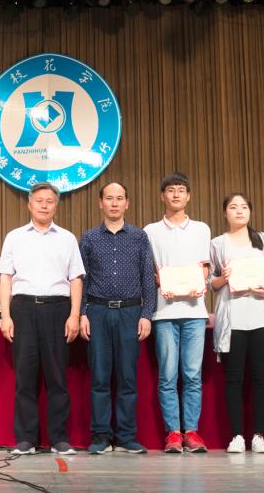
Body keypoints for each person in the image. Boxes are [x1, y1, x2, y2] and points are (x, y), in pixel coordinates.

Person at [0, 182, 85, 455]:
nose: (44, 205)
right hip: (23, 309)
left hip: (58, 310)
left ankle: (59, 438)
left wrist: (74, 314)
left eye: (49, 201)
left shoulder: (67, 238)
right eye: (39, 201)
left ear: (55, 206)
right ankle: (26, 439)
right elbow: (5, 278)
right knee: (25, 377)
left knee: (57, 377)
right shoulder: (15, 237)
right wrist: (5, 315)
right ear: (29, 204)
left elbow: (76, 279)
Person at [79, 182, 156, 454]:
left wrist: (146, 314)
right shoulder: (89, 238)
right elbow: (82, 279)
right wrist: (82, 313)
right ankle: (101, 436)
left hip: (130, 312)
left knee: (127, 377)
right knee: (99, 377)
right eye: (109, 198)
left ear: (127, 203)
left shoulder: (139, 237)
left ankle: (125, 436)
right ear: (100, 203)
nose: (114, 203)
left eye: (119, 198)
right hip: (98, 312)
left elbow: (148, 278)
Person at [143, 172, 212, 454]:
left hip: (195, 311)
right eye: (170, 190)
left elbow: (205, 268)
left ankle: (191, 432)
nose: (175, 194)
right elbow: (149, 271)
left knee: (193, 375)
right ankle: (173, 432)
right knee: (168, 376)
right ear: (162, 196)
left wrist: (199, 283)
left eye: (181, 190)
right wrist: (160, 282)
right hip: (164, 312)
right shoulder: (150, 231)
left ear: (188, 196)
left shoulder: (201, 229)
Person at [210, 193, 264, 454]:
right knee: (234, 378)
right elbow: (211, 283)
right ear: (225, 212)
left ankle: (259, 436)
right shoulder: (218, 244)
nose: (239, 211)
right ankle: (237, 436)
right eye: (233, 207)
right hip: (233, 321)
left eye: (243, 207)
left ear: (250, 211)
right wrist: (223, 278)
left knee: (261, 377)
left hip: (262, 318)